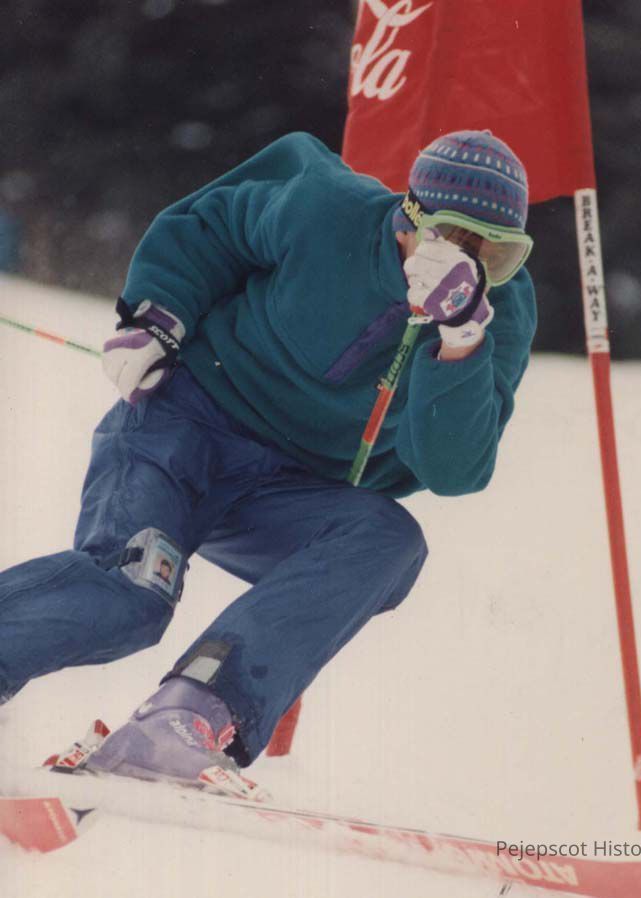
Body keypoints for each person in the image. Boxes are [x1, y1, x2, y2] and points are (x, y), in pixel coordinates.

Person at [0, 129, 536, 786]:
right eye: (452, 237)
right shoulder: (325, 208)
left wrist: (460, 342)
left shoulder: (499, 315)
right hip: (185, 430)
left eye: (496, 254)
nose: (467, 266)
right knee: (132, 593)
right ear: (409, 216)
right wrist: (156, 316)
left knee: (389, 541)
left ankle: (190, 716)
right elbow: (210, 228)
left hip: (289, 492)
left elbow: (454, 470)